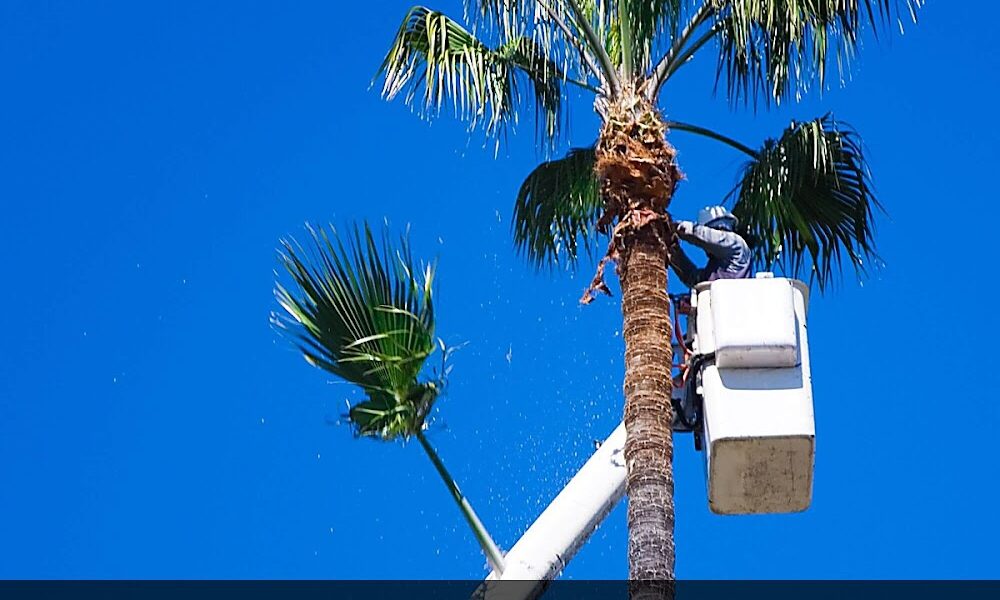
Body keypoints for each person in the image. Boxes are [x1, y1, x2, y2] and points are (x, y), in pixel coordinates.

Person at [670, 205, 751, 287]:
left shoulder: (736, 244)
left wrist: (679, 227)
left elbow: (708, 237)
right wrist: (673, 251)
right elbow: (692, 278)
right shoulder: (714, 270)